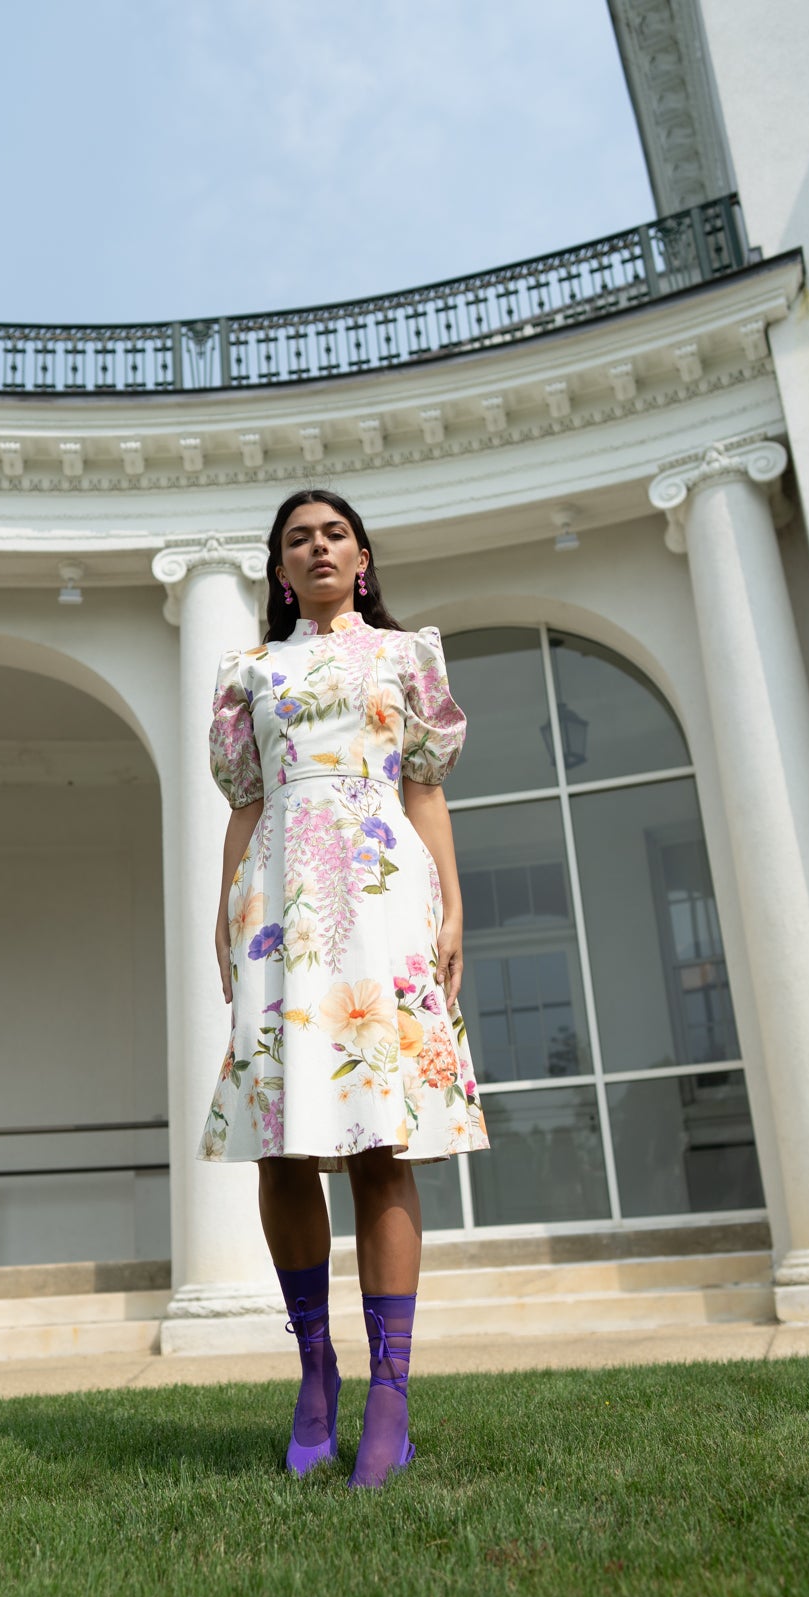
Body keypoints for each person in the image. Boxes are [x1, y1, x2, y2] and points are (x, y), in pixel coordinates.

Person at [202, 489, 489, 1488]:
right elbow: (245, 805)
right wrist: (225, 911)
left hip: (381, 898)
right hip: (279, 899)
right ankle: (314, 1365)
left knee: (381, 1140)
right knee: (281, 1143)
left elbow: (425, 787)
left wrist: (451, 907)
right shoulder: (250, 672)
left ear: (360, 554)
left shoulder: (406, 657)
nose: (316, 548)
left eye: (331, 534)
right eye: (296, 539)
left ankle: (393, 1392)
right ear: (279, 570)